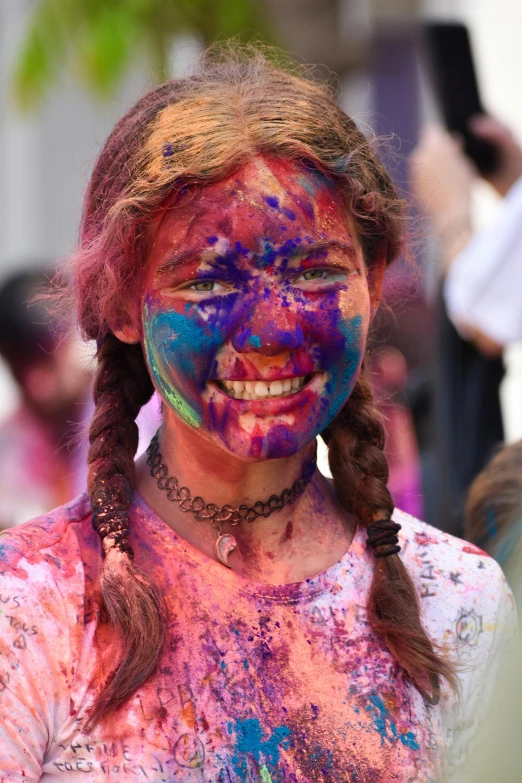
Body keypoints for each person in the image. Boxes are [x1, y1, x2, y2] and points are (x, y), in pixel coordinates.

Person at [0, 48, 514, 782]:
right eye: (209, 278)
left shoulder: (458, 608)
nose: (272, 332)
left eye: (314, 272)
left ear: (370, 284)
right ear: (121, 303)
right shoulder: (31, 609)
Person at [0, 268, 92, 528]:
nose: (38, 387)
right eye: (20, 368)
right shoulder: (12, 440)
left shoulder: (142, 412)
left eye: (46, 360)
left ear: (78, 334)